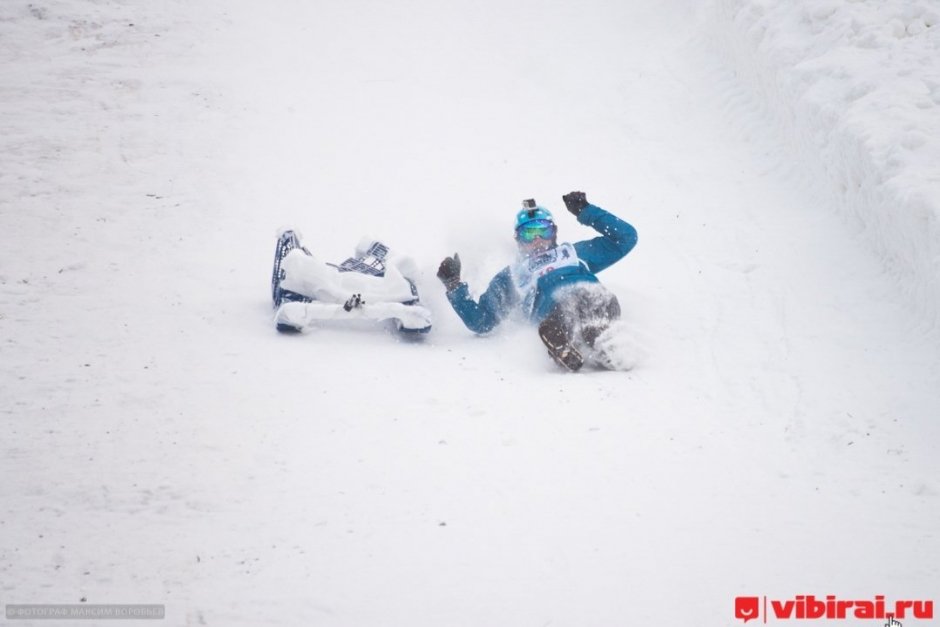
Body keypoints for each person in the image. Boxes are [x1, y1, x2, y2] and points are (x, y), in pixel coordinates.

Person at [436, 192, 638, 371]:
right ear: (518, 239)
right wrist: (454, 285)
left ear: (554, 233)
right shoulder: (511, 275)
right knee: (564, 308)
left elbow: (626, 237)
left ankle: (608, 347)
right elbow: (481, 322)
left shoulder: (574, 252)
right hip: (553, 309)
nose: (538, 240)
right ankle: (560, 342)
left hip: (592, 296)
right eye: (529, 234)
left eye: (544, 231)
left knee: (597, 301)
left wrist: (585, 211)